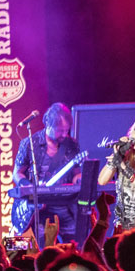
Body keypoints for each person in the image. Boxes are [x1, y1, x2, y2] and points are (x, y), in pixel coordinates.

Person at [13, 102, 81, 241]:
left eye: (66, 130)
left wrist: (79, 181)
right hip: (38, 207)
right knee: (38, 245)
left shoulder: (71, 145)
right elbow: (17, 174)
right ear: (48, 124)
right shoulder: (29, 143)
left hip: (63, 205)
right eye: (60, 130)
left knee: (74, 244)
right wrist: (30, 187)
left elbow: (76, 173)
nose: (64, 134)